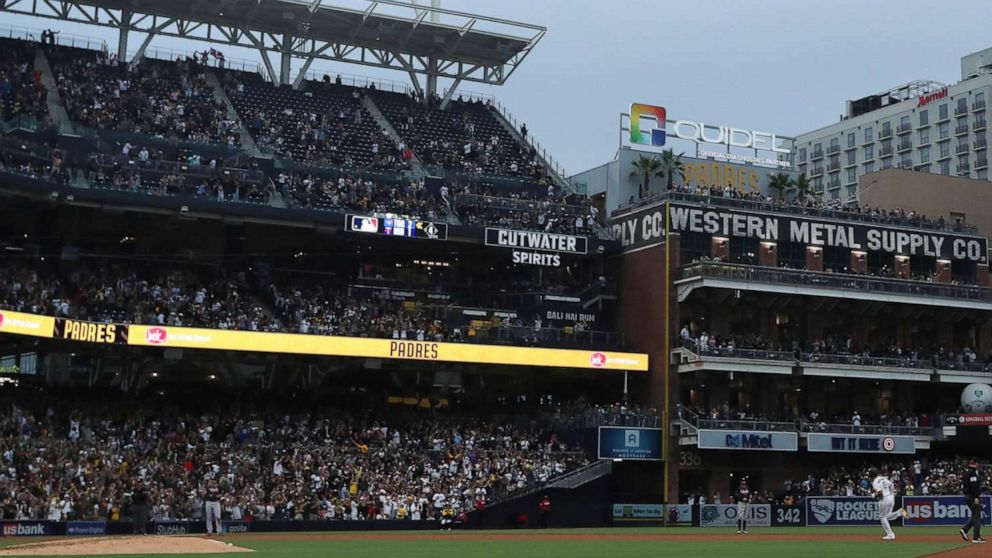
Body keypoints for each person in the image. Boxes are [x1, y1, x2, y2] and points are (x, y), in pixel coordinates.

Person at [872, 471, 907, 540]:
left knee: (882, 517)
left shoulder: (875, 482)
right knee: (886, 516)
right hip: (890, 497)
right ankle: (900, 512)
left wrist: (874, 495)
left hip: (884, 499)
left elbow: (880, 494)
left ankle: (890, 534)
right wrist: (892, 495)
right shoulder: (882, 478)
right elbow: (891, 484)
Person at [960, 460, 986, 543]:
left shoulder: (965, 472)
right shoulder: (972, 473)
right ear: (975, 464)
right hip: (972, 496)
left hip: (968, 496)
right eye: (977, 463)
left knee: (975, 515)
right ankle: (976, 537)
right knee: (977, 516)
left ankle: (965, 529)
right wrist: (976, 497)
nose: (977, 465)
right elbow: (974, 486)